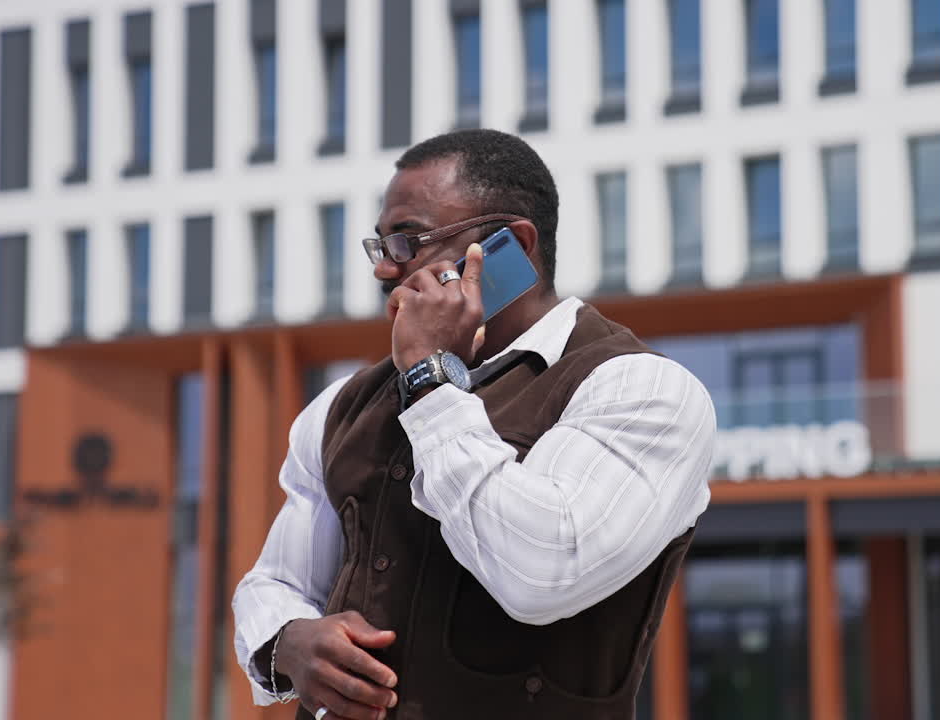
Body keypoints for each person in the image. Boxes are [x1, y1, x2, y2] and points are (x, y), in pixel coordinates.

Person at [232, 129, 715, 720]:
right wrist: (289, 641)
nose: (388, 271)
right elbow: (274, 582)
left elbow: (541, 575)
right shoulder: (341, 406)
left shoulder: (638, 390)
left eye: (410, 240)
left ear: (514, 244)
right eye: (381, 246)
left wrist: (433, 381)